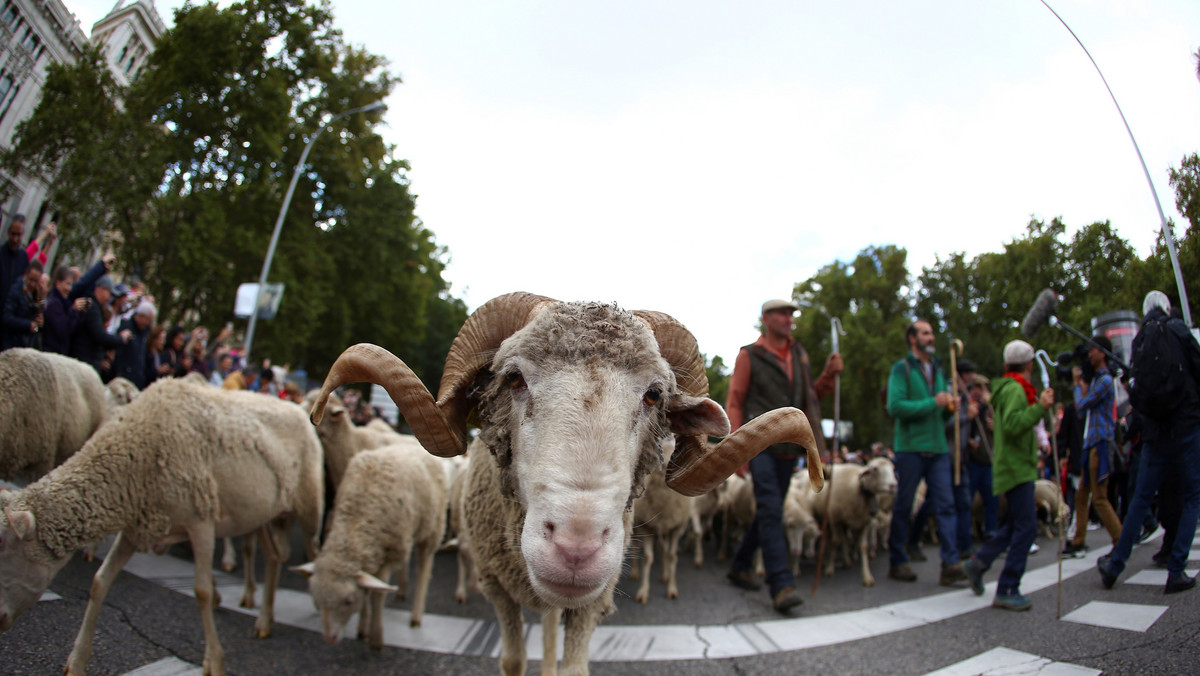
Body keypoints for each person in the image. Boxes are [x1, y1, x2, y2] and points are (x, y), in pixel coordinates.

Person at [724, 298, 842, 613]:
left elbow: (809, 398)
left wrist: (829, 376)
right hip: (759, 445)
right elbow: (735, 400)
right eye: (782, 313)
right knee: (772, 509)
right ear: (766, 318)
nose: (789, 318)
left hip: (791, 446)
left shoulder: (800, 353)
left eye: (791, 314)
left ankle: (741, 563)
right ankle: (781, 583)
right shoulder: (749, 354)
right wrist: (737, 448)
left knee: (769, 509)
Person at [1098, 291, 1200, 594]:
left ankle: (1116, 565)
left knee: (1141, 499)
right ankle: (1176, 569)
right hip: (1186, 427)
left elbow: (1138, 395)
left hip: (1155, 434)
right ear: (1167, 308)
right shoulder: (1179, 331)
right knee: (1193, 496)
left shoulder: (1139, 341)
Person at [964, 340, 1055, 610]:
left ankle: (978, 564)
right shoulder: (1016, 390)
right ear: (1029, 365)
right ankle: (1007, 587)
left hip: (1011, 465)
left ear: (1006, 365)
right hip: (1017, 467)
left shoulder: (1006, 388)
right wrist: (1041, 408)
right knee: (1026, 529)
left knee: (1014, 525)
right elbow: (1015, 425)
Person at [886, 319, 966, 585]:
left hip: (938, 448)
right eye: (925, 333)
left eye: (932, 333)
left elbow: (940, 412)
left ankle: (950, 564)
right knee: (904, 504)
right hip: (910, 448)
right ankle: (898, 560)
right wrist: (934, 403)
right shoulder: (902, 368)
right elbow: (895, 407)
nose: (931, 337)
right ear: (912, 338)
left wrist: (950, 407)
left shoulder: (940, 369)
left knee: (946, 505)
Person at [1063, 335, 1123, 557]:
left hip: (1100, 444)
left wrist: (1078, 385)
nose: (1090, 354)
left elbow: (1082, 405)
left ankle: (1120, 540)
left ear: (1103, 353)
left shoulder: (1105, 380)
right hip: (1092, 444)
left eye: (1093, 350)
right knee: (1082, 495)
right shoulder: (1099, 379)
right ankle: (1078, 540)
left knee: (1098, 496)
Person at [69, 275, 130, 376]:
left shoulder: (96, 307)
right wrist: (121, 339)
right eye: (109, 293)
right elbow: (99, 336)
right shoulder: (92, 308)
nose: (110, 298)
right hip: (84, 364)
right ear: (101, 289)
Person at [112, 301, 156, 389]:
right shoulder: (126, 327)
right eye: (148, 320)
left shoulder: (146, 332)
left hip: (138, 380)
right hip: (124, 378)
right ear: (141, 316)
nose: (148, 324)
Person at [1, 260, 44, 350]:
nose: (32, 284)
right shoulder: (16, 291)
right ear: (26, 274)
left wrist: (39, 323)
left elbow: (37, 327)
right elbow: (7, 317)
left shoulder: (37, 296)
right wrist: (28, 325)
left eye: (36, 281)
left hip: (24, 345)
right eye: (31, 279)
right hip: (10, 342)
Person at [43, 265, 85, 355]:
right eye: (67, 284)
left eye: (71, 285)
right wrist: (73, 310)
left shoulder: (65, 303)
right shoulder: (53, 304)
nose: (69, 289)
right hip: (50, 353)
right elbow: (62, 330)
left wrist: (79, 313)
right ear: (57, 283)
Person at [0, 215, 29, 348]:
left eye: (18, 235)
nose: (15, 239)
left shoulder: (23, 258)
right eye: (13, 234)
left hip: (10, 326)